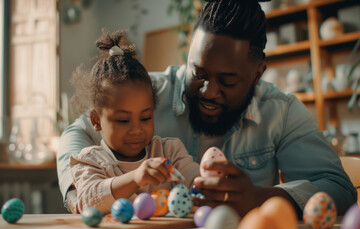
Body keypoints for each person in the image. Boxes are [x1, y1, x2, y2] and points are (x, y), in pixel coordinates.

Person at [57, 0, 357, 217]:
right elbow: (76, 132)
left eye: (227, 80)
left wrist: (258, 197)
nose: (209, 91)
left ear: (257, 72)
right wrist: (82, 193)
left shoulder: (282, 111)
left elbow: (339, 189)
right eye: (198, 73)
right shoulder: (145, 94)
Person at [67, 30, 199, 214]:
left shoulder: (169, 153)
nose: (137, 130)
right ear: (96, 121)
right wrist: (135, 178)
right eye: (123, 120)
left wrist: (209, 180)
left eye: (145, 118)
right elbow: (86, 201)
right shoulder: (89, 161)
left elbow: (196, 184)